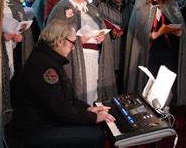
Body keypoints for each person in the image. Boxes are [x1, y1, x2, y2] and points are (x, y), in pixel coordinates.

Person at [9, 19, 115, 148]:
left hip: (46, 121)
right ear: (59, 41)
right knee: (95, 135)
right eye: (73, 42)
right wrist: (94, 117)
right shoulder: (44, 66)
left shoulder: (47, 57)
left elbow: (66, 98)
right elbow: (61, 110)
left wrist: (88, 109)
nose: (74, 47)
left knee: (94, 129)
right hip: (35, 129)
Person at [124, 0, 186, 106]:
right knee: (149, 83)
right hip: (147, 52)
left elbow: (179, 24)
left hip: (167, 50)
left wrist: (178, 33)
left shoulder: (171, 3)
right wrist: (150, 35)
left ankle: (166, 111)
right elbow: (135, 30)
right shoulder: (141, 3)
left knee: (166, 84)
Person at [48, 0, 117, 105]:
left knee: (93, 84)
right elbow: (54, 34)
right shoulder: (62, 8)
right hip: (75, 56)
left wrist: (102, 38)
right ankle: (80, 112)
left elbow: (101, 27)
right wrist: (78, 40)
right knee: (79, 85)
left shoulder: (92, 9)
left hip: (94, 55)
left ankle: (94, 109)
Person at [0, 0, 34, 124]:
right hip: (2, 51)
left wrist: (21, 35)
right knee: (4, 81)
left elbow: (24, 27)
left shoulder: (17, 5)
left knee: (17, 82)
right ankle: (5, 116)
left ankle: (17, 115)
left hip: (17, 50)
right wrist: (2, 37)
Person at [97, 0, 132, 93]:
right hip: (110, 46)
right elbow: (98, 25)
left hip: (125, 46)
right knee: (111, 77)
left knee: (124, 78)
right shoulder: (102, 6)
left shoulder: (130, 7)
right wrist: (111, 32)